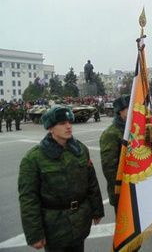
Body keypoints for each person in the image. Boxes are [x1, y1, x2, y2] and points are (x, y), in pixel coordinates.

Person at [18, 106, 104, 252]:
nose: (69, 126)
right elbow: (28, 198)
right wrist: (34, 234)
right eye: (62, 123)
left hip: (80, 222)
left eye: (69, 122)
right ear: (50, 128)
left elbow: (91, 183)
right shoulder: (34, 158)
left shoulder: (80, 150)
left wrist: (97, 211)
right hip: (54, 226)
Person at [99, 95, 130, 213]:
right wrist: (123, 187)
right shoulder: (111, 134)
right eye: (129, 109)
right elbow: (109, 168)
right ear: (121, 112)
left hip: (137, 186)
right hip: (122, 189)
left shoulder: (134, 129)